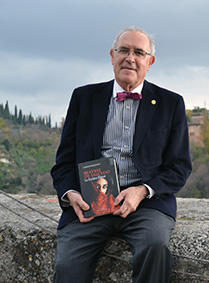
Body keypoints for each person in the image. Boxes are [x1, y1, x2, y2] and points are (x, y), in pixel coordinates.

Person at [50, 26, 192, 283]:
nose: (130, 58)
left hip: (147, 205)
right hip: (90, 203)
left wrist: (142, 190)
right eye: (124, 50)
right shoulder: (84, 98)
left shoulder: (171, 104)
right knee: (67, 264)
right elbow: (63, 164)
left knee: (156, 248)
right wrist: (71, 194)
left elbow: (179, 167)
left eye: (139, 52)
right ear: (112, 55)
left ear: (150, 62)